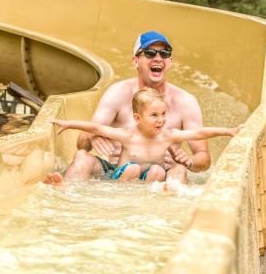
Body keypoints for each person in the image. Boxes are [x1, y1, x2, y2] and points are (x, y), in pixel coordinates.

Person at [44, 30, 211, 185]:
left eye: (165, 53)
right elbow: (82, 145)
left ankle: (170, 207)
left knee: (180, 170)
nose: (158, 58)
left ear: (170, 62)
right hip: (117, 173)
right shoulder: (118, 93)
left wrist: (188, 161)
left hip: (162, 177)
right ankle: (66, 192)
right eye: (150, 53)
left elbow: (203, 160)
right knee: (82, 157)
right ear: (135, 61)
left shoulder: (186, 102)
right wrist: (93, 135)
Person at [49, 88, 242, 182]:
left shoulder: (168, 135)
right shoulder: (127, 135)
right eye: (154, 116)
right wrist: (67, 124)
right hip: (121, 175)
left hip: (148, 179)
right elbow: (96, 129)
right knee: (132, 169)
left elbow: (199, 133)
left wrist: (228, 131)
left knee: (158, 172)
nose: (161, 120)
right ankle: (66, 188)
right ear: (138, 118)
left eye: (164, 114)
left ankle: (153, 198)